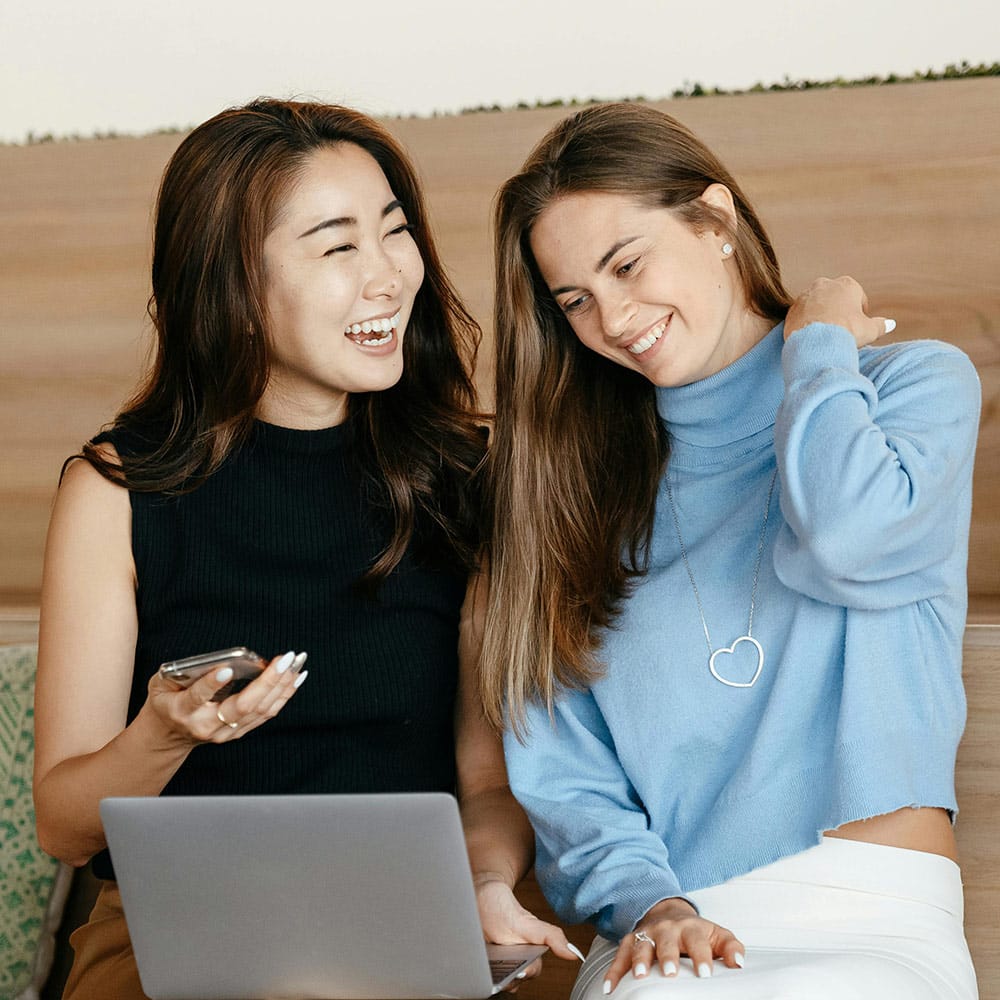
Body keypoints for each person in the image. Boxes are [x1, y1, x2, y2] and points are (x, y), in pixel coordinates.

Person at [32, 98, 577, 999]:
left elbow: (488, 782)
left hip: (418, 907)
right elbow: (64, 827)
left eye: (394, 232)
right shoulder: (115, 491)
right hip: (187, 926)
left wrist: (480, 884)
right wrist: (163, 738)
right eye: (336, 247)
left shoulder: (470, 477)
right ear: (234, 289)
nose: (389, 278)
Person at [481, 102, 980, 999]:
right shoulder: (570, 492)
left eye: (627, 264)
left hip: (878, 916)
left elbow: (849, 542)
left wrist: (818, 350)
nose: (613, 316)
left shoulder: (906, 387)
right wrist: (650, 907)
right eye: (575, 301)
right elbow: (567, 779)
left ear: (715, 219)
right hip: (666, 932)